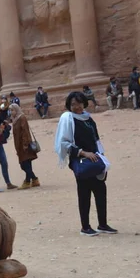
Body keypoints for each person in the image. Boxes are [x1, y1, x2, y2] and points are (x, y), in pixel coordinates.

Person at [54, 92, 117, 237]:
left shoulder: (88, 118)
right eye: (73, 104)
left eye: (79, 103)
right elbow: (63, 143)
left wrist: (102, 157)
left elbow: (96, 139)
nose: (77, 107)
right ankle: (85, 227)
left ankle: (103, 224)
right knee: (84, 195)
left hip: (95, 160)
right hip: (81, 162)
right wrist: (83, 153)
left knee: (101, 192)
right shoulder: (68, 119)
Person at [9, 104, 40, 190]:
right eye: (10, 110)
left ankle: (27, 181)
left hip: (24, 145)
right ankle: (34, 180)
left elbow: (25, 132)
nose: (11, 112)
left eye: (12, 110)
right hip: (19, 145)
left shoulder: (21, 118)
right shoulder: (15, 119)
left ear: (16, 110)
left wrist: (25, 145)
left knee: (24, 164)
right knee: (27, 164)